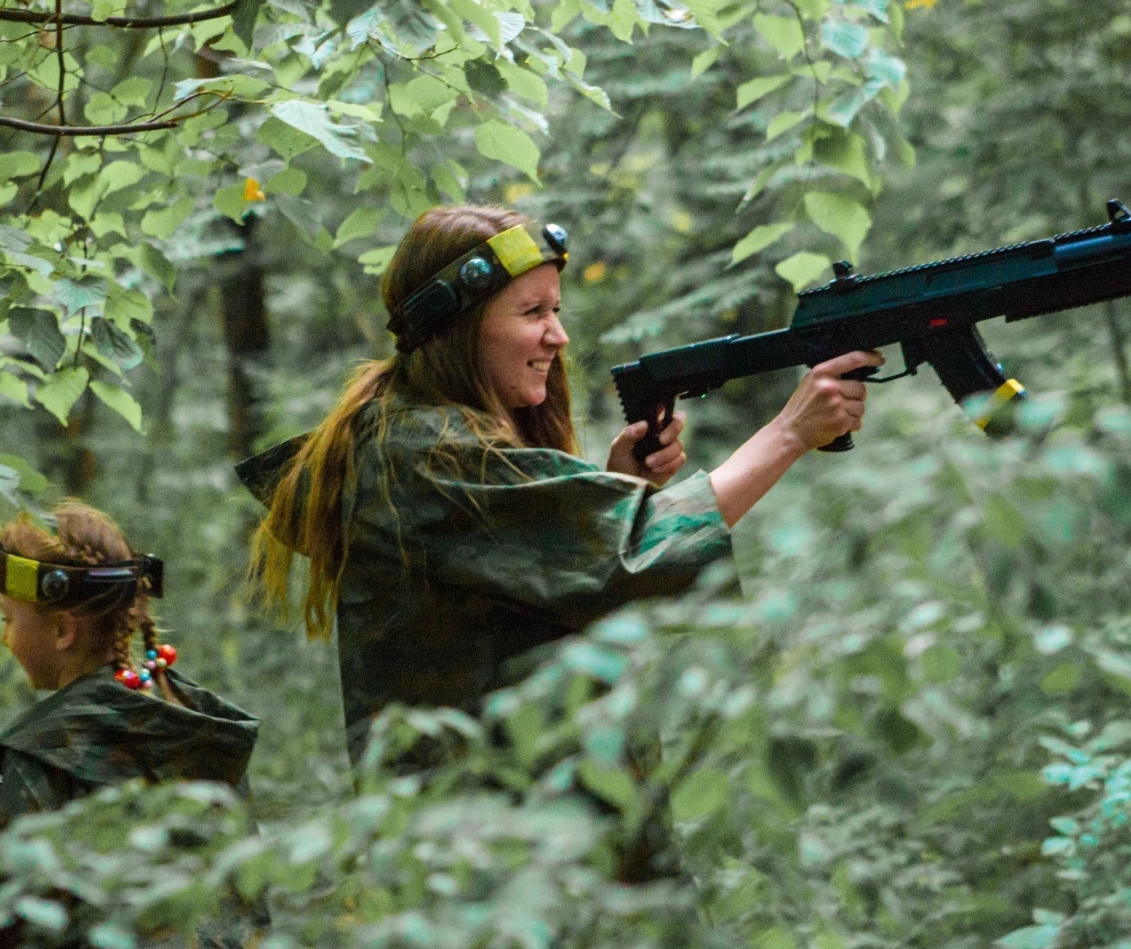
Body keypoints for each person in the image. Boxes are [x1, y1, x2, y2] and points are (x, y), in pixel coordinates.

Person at [238, 205, 880, 870]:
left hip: (523, 851)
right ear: (459, 328)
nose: (559, 336)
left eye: (557, 309)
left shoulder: (429, 445)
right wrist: (789, 434)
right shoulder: (430, 454)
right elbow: (636, 557)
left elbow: (541, 603)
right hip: (493, 866)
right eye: (532, 313)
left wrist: (611, 487)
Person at [0, 501, 262, 949]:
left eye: (8, 619)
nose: (4, 636)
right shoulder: (187, 717)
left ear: (62, 631)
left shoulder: (48, 749)